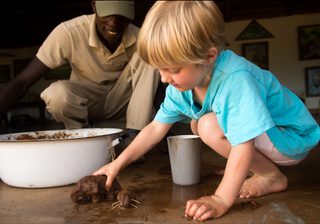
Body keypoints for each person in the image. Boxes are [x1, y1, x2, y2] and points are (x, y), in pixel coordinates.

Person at [93, 1, 320, 221]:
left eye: (172, 69)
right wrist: (117, 164)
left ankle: (270, 176)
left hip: (291, 137)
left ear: (209, 56)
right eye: (159, 69)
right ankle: (259, 169)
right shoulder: (179, 85)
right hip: (271, 135)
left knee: (207, 126)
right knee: (198, 124)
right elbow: (154, 129)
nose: (164, 78)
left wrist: (221, 199)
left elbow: (243, 144)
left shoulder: (235, 79)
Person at [0, 1, 160, 131]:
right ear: (94, 6)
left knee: (148, 51)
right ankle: (81, 135)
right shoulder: (69, 32)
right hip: (86, 103)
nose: (114, 22)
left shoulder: (140, 36)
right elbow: (22, 82)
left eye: (121, 15)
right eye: (107, 13)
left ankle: (134, 136)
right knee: (56, 93)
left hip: (123, 104)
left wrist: (165, 126)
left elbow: (161, 86)